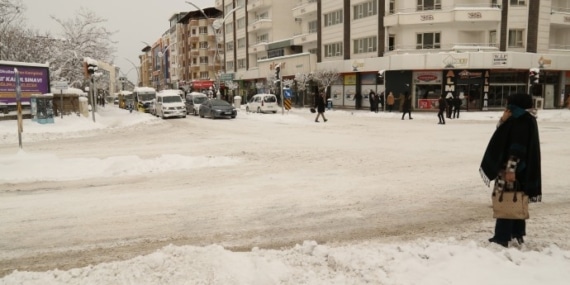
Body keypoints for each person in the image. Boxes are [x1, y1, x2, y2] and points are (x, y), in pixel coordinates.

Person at [479, 93, 542, 248]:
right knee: (517, 198)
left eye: (509, 103)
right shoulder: (522, 119)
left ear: (515, 104)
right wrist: (503, 121)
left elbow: (517, 148)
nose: (506, 106)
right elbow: (504, 136)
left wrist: (510, 169)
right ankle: (517, 233)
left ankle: (501, 236)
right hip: (520, 169)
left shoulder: (520, 121)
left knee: (506, 200)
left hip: (511, 168)